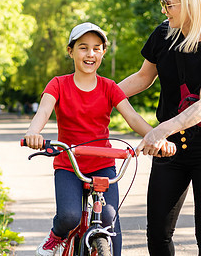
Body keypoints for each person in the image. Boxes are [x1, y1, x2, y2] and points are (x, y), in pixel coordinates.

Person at [23, 22, 176, 256]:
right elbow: (43, 112)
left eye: (96, 48)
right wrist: (34, 132)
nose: (90, 54)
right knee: (69, 216)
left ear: (103, 52)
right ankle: (55, 237)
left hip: (103, 165)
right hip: (69, 164)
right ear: (71, 51)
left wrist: (157, 138)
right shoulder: (58, 84)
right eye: (83, 48)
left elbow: (133, 118)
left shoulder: (109, 87)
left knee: (109, 216)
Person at [118, 0, 201, 255]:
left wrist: (159, 130)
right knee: (157, 233)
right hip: (169, 149)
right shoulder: (163, 34)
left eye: (169, 3)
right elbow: (143, 78)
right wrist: (97, 96)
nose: (164, 9)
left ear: (192, 2)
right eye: (163, 2)